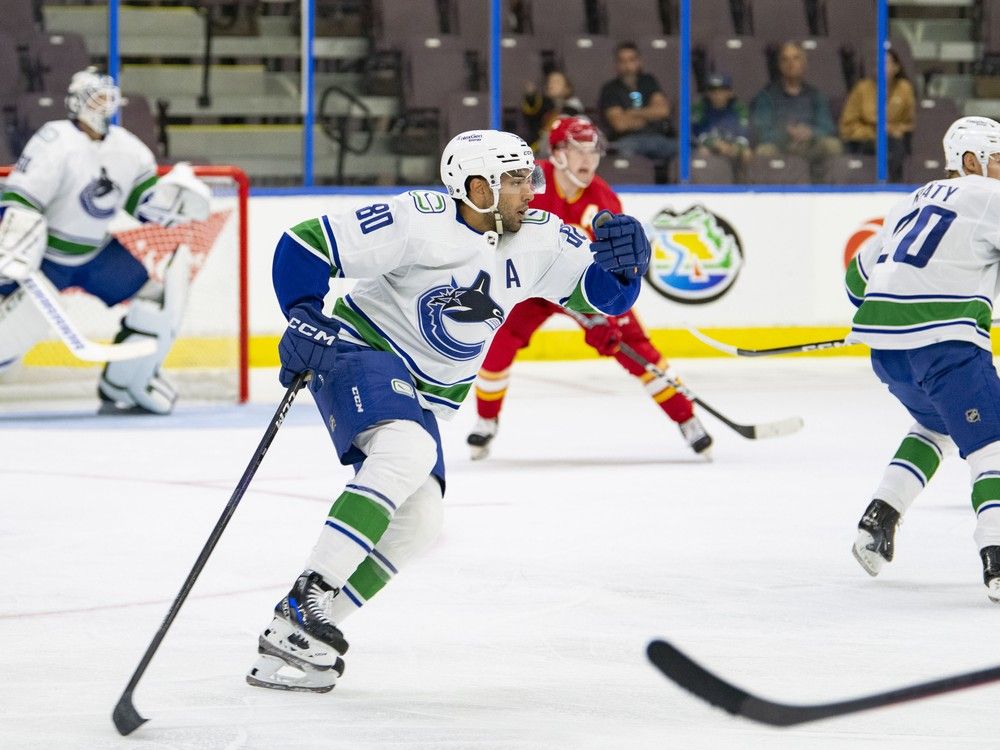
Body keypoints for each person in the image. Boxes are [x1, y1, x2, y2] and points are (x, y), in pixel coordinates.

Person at [248, 129, 651, 692]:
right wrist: (302, 313)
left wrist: (624, 269)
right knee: (406, 450)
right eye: (514, 181)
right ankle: (305, 597)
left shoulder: (537, 237)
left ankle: (298, 635)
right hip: (362, 350)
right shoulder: (419, 218)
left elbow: (599, 300)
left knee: (419, 523)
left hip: (424, 395)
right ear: (476, 186)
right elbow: (306, 244)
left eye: (527, 177)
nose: (529, 191)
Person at [467, 116, 712, 460]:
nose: (588, 159)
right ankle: (486, 419)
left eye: (594, 150)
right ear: (556, 153)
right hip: (526, 285)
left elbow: (607, 273)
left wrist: (603, 321)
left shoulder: (605, 201)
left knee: (634, 344)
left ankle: (687, 419)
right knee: (497, 343)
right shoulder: (527, 181)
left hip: (574, 285)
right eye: (577, 149)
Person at [845, 116, 1000, 602]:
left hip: (889, 354)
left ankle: (879, 517)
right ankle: (997, 554)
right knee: (992, 447)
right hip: (946, 349)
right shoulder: (990, 197)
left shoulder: (908, 201)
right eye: (999, 159)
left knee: (936, 425)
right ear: (971, 161)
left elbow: (856, 280)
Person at [0, 67, 210, 414]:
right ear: (77, 102)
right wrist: (13, 250)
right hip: (45, 257)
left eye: (108, 96)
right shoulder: (55, 139)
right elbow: (22, 200)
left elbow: (143, 204)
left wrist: (173, 202)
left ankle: (123, 382)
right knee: (12, 331)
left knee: (158, 300)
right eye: (97, 96)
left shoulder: (128, 148)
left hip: (94, 255)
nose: (105, 104)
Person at [750, 41, 842, 181]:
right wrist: (786, 133)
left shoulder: (816, 95)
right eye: (785, 59)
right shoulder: (766, 96)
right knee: (763, 151)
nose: (790, 63)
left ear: (804, 63)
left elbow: (828, 127)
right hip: (781, 147)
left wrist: (810, 132)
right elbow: (761, 131)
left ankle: (827, 193)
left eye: (796, 58)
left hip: (810, 146)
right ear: (779, 65)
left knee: (832, 146)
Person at [839, 48, 915, 183]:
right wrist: (874, 132)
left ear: (896, 67)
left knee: (896, 145)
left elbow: (910, 123)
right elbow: (847, 126)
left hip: (894, 140)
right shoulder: (862, 89)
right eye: (878, 63)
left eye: (885, 63)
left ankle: (895, 184)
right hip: (864, 140)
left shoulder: (904, 88)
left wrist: (895, 129)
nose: (880, 67)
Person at [598, 41, 677, 167]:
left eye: (631, 60)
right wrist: (649, 116)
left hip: (657, 137)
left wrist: (632, 113)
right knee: (624, 152)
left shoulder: (648, 81)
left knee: (685, 149)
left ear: (639, 61)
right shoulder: (610, 89)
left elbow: (663, 111)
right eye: (622, 61)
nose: (627, 65)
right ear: (616, 64)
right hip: (627, 140)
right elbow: (620, 124)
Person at [692, 72, 752, 182]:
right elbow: (697, 132)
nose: (717, 94)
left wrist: (737, 146)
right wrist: (713, 144)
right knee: (702, 152)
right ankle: (706, 188)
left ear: (730, 92)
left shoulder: (738, 108)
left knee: (746, 153)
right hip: (712, 150)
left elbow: (744, 132)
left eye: (722, 90)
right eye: (713, 91)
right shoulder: (700, 107)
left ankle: (745, 188)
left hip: (732, 149)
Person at [521, 69, 584, 151]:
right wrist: (531, 97)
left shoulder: (573, 108)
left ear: (567, 88)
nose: (551, 84)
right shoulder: (547, 104)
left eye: (557, 82)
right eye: (549, 81)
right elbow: (531, 117)